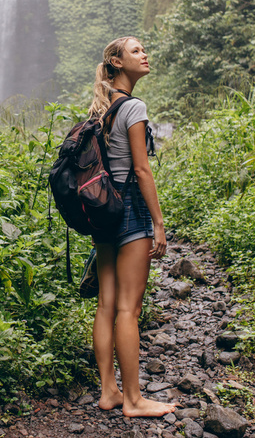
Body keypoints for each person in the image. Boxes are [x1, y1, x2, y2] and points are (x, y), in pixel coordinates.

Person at [87, 36, 178, 418]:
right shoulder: (134, 107)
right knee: (129, 309)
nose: (145, 55)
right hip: (130, 210)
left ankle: (109, 391)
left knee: (106, 305)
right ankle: (134, 400)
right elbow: (141, 169)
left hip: (103, 211)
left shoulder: (102, 108)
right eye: (137, 51)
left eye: (144, 49)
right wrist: (158, 223)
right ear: (117, 62)